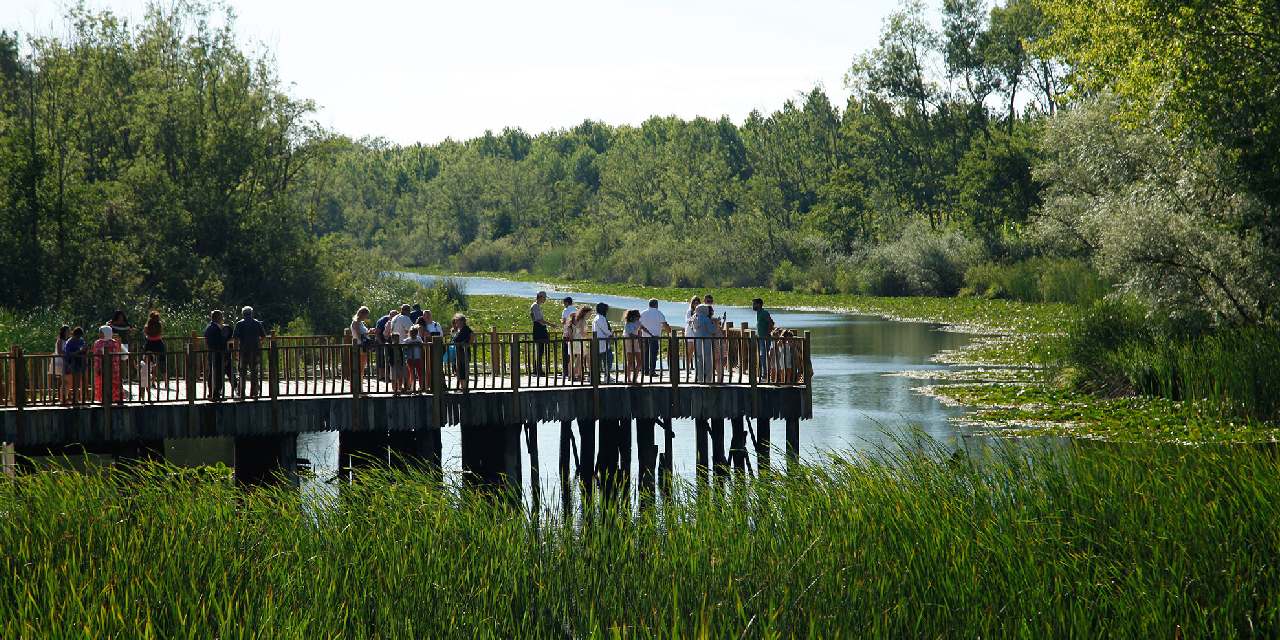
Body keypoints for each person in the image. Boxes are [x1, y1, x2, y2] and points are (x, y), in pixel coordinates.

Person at [233, 306, 266, 398]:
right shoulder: (257, 323)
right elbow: (263, 336)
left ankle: (241, 393)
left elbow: (235, 339)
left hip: (243, 351)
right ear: (251, 313)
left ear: (243, 314)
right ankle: (254, 393)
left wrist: (236, 351)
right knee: (254, 372)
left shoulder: (239, 324)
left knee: (242, 373)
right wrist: (259, 344)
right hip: (255, 351)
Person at [92, 325, 124, 403]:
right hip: (107, 368)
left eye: (101, 332)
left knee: (112, 383)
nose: (99, 334)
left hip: (110, 367)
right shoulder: (113, 343)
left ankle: (112, 399)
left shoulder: (99, 343)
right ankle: (109, 399)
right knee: (106, 383)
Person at [638, 298, 668, 376]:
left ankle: (646, 371)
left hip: (645, 337)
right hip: (654, 337)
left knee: (645, 354)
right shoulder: (659, 313)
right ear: (656, 305)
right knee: (653, 354)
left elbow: (639, 325)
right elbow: (665, 325)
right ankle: (652, 371)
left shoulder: (643, 313)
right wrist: (669, 331)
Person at [690, 304, 717, 383]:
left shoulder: (695, 318)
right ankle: (708, 378)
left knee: (698, 358)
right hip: (707, 341)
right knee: (707, 358)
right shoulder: (706, 319)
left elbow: (692, 328)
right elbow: (712, 330)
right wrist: (715, 324)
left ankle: (699, 378)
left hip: (697, 341)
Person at [204, 310, 228, 401]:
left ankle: (212, 393)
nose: (222, 318)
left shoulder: (209, 327)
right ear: (218, 318)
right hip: (217, 354)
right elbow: (220, 342)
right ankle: (215, 394)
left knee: (212, 373)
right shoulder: (216, 328)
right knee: (217, 374)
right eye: (221, 316)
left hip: (212, 353)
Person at [567, 306, 591, 381]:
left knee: (572, 359)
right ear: (585, 313)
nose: (590, 315)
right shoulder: (582, 320)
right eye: (589, 313)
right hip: (580, 341)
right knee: (579, 359)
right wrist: (589, 336)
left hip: (572, 341)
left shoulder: (575, 319)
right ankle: (576, 374)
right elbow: (582, 333)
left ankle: (571, 375)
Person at [752, 298, 774, 379]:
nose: (753, 306)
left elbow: (771, 323)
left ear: (759, 304)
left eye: (754, 304)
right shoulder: (759, 313)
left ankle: (765, 374)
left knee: (764, 356)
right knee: (762, 356)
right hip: (760, 339)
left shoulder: (764, 313)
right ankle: (763, 373)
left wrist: (767, 333)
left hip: (765, 339)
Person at [530, 291, 551, 377]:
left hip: (539, 329)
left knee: (540, 350)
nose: (545, 299)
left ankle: (537, 369)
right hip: (538, 329)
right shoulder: (535, 306)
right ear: (540, 297)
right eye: (544, 298)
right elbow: (539, 320)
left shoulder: (537, 306)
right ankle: (537, 370)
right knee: (539, 350)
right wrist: (551, 324)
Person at [451, 313, 473, 391]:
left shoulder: (466, 329)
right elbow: (455, 339)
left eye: (458, 321)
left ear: (462, 321)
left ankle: (464, 386)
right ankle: (461, 385)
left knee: (464, 368)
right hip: (458, 351)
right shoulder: (457, 330)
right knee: (459, 368)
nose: (457, 323)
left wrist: (467, 345)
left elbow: (471, 336)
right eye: (456, 322)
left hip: (464, 351)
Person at [64, 326, 86, 404]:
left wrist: (84, 351)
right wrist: (78, 352)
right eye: (78, 336)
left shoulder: (81, 340)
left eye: (80, 336)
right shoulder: (69, 342)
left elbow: (84, 349)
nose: (79, 338)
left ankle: (78, 399)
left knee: (79, 382)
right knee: (70, 382)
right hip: (71, 363)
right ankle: (71, 399)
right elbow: (67, 354)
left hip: (80, 363)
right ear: (74, 335)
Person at [593, 302, 614, 382]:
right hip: (603, 343)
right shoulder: (601, 318)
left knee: (599, 362)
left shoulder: (596, 318)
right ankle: (607, 376)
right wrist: (611, 334)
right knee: (608, 360)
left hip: (598, 343)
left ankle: (598, 378)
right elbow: (606, 331)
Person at [142, 310, 165, 382]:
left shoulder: (147, 326)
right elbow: (160, 333)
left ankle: (150, 379)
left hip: (149, 343)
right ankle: (164, 380)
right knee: (161, 362)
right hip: (158, 343)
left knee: (148, 362)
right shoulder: (159, 325)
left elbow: (146, 334)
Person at [351, 306, 373, 377]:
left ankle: (360, 383)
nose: (366, 317)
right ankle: (357, 384)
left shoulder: (360, 322)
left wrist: (369, 332)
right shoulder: (356, 322)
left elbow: (362, 333)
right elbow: (358, 334)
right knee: (359, 366)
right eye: (366, 315)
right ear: (362, 314)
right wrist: (366, 335)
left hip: (362, 345)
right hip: (359, 345)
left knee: (362, 366)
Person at [623, 309, 643, 383]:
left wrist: (650, 334)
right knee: (630, 362)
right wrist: (639, 337)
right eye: (638, 316)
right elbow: (630, 334)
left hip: (636, 342)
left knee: (639, 362)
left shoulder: (637, 322)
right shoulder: (628, 324)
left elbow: (642, 328)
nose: (639, 317)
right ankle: (628, 379)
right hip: (629, 342)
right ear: (633, 316)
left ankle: (635, 377)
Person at [405, 326, 425, 391]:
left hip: (418, 358)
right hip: (410, 358)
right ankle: (412, 387)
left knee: (420, 373)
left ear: (416, 333)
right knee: (411, 373)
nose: (413, 334)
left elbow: (422, 346)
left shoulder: (419, 339)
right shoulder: (408, 340)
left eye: (414, 333)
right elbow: (403, 345)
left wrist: (419, 344)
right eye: (411, 333)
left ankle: (421, 387)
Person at [684, 296, 701, 371]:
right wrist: (693, 318)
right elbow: (687, 321)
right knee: (689, 351)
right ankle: (687, 368)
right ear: (692, 303)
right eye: (695, 303)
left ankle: (698, 368)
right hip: (690, 332)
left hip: (697, 333)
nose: (696, 304)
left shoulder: (701, 311)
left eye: (697, 303)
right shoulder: (689, 311)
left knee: (697, 351)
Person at [560, 296, 575, 377]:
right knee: (574, 353)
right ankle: (574, 370)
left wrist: (562, 321)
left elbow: (564, 321)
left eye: (564, 303)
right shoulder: (575, 310)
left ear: (566, 302)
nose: (563, 305)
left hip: (566, 334)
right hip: (574, 334)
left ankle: (566, 371)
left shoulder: (565, 310)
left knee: (566, 353)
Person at [53, 325, 68, 403]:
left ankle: (62, 397)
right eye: (67, 331)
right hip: (60, 361)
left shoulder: (66, 341)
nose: (68, 333)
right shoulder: (60, 341)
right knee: (62, 381)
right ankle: (62, 398)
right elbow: (59, 352)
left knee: (63, 381)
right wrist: (68, 353)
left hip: (64, 361)